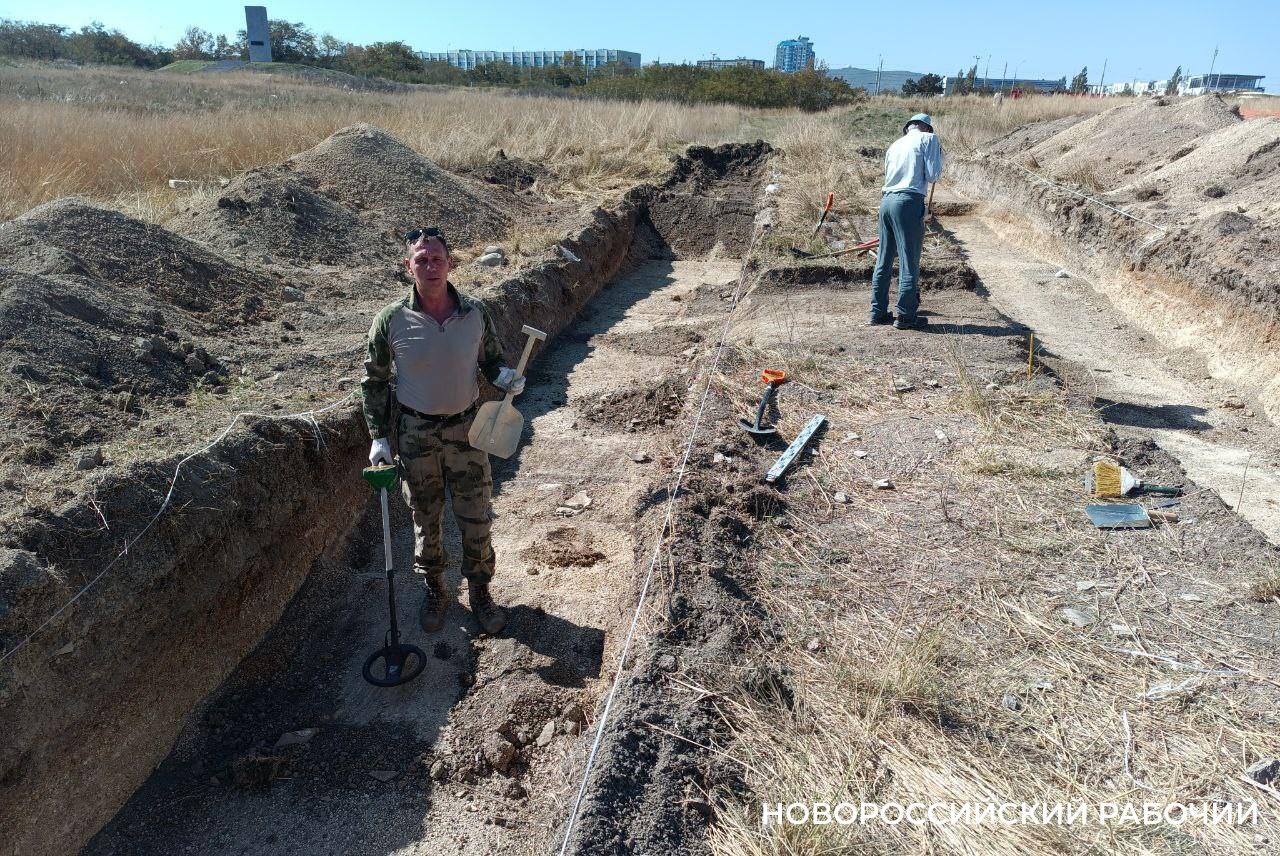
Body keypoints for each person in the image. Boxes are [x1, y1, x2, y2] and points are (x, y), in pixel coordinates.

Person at [361, 227, 525, 635]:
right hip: (416, 434)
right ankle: (435, 590)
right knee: (425, 518)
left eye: (437, 258)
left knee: (476, 517)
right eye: (421, 259)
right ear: (408, 266)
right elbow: (375, 382)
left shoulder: (475, 313)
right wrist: (379, 437)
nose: (430, 266)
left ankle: (481, 592)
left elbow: (491, 359)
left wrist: (503, 375)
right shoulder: (390, 321)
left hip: (468, 431)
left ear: (450, 263)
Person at [869, 113, 944, 330]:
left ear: (908, 128)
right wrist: (939, 158)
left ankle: (877, 312)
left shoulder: (894, 145)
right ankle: (905, 316)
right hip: (909, 202)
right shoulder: (929, 139)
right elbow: (933, 175)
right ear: (926, 128)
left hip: (887, 202)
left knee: (883, 259)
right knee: (909, 261)